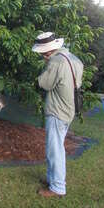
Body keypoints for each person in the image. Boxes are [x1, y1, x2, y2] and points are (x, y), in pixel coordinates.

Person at [32, 32, 83, 197]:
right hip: (69, 110)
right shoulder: (73, 59)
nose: (41, 55)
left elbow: (43, 83)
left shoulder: (55, 61)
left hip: (57, 111)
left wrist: (46, 66)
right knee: (55, 147)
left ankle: (58, 187)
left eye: (42, 53)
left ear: (47, 51)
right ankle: (52, 179)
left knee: (55, 150)